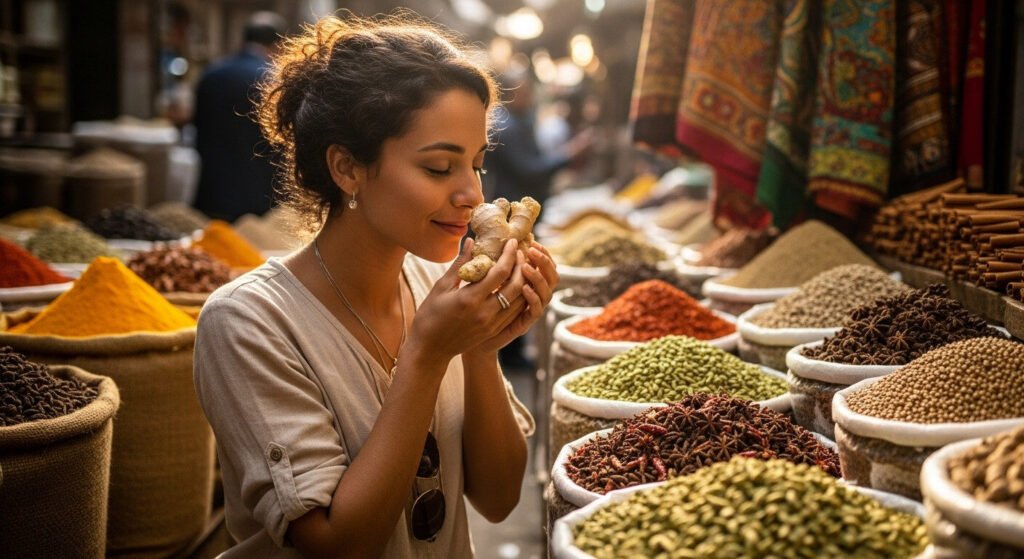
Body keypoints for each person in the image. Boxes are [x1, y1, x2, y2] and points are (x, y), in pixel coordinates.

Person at [193, 14, 555, 558]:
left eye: (477, 165)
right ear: (347, 168)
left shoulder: (439, 287)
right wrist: (427, 354)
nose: (472, 196)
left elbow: (499, 499)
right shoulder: (248, 322)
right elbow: (336, 545)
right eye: (439, 168)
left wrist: (481, 350)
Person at [192, 11, 286, 221]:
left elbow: (198, 129)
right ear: (277, 45)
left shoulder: (211, 74)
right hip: (257, 200)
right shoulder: (271, 79)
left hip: (211, 193)